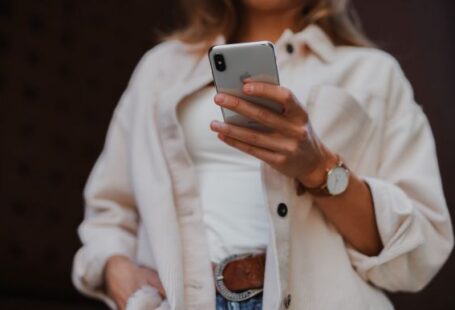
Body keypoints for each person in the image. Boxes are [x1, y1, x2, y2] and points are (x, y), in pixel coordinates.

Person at [72, 0, 454, 309]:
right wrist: (115, 269)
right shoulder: (160, 68)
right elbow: (109, 207)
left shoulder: (373, 74)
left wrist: (318, 169)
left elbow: (418, 253)